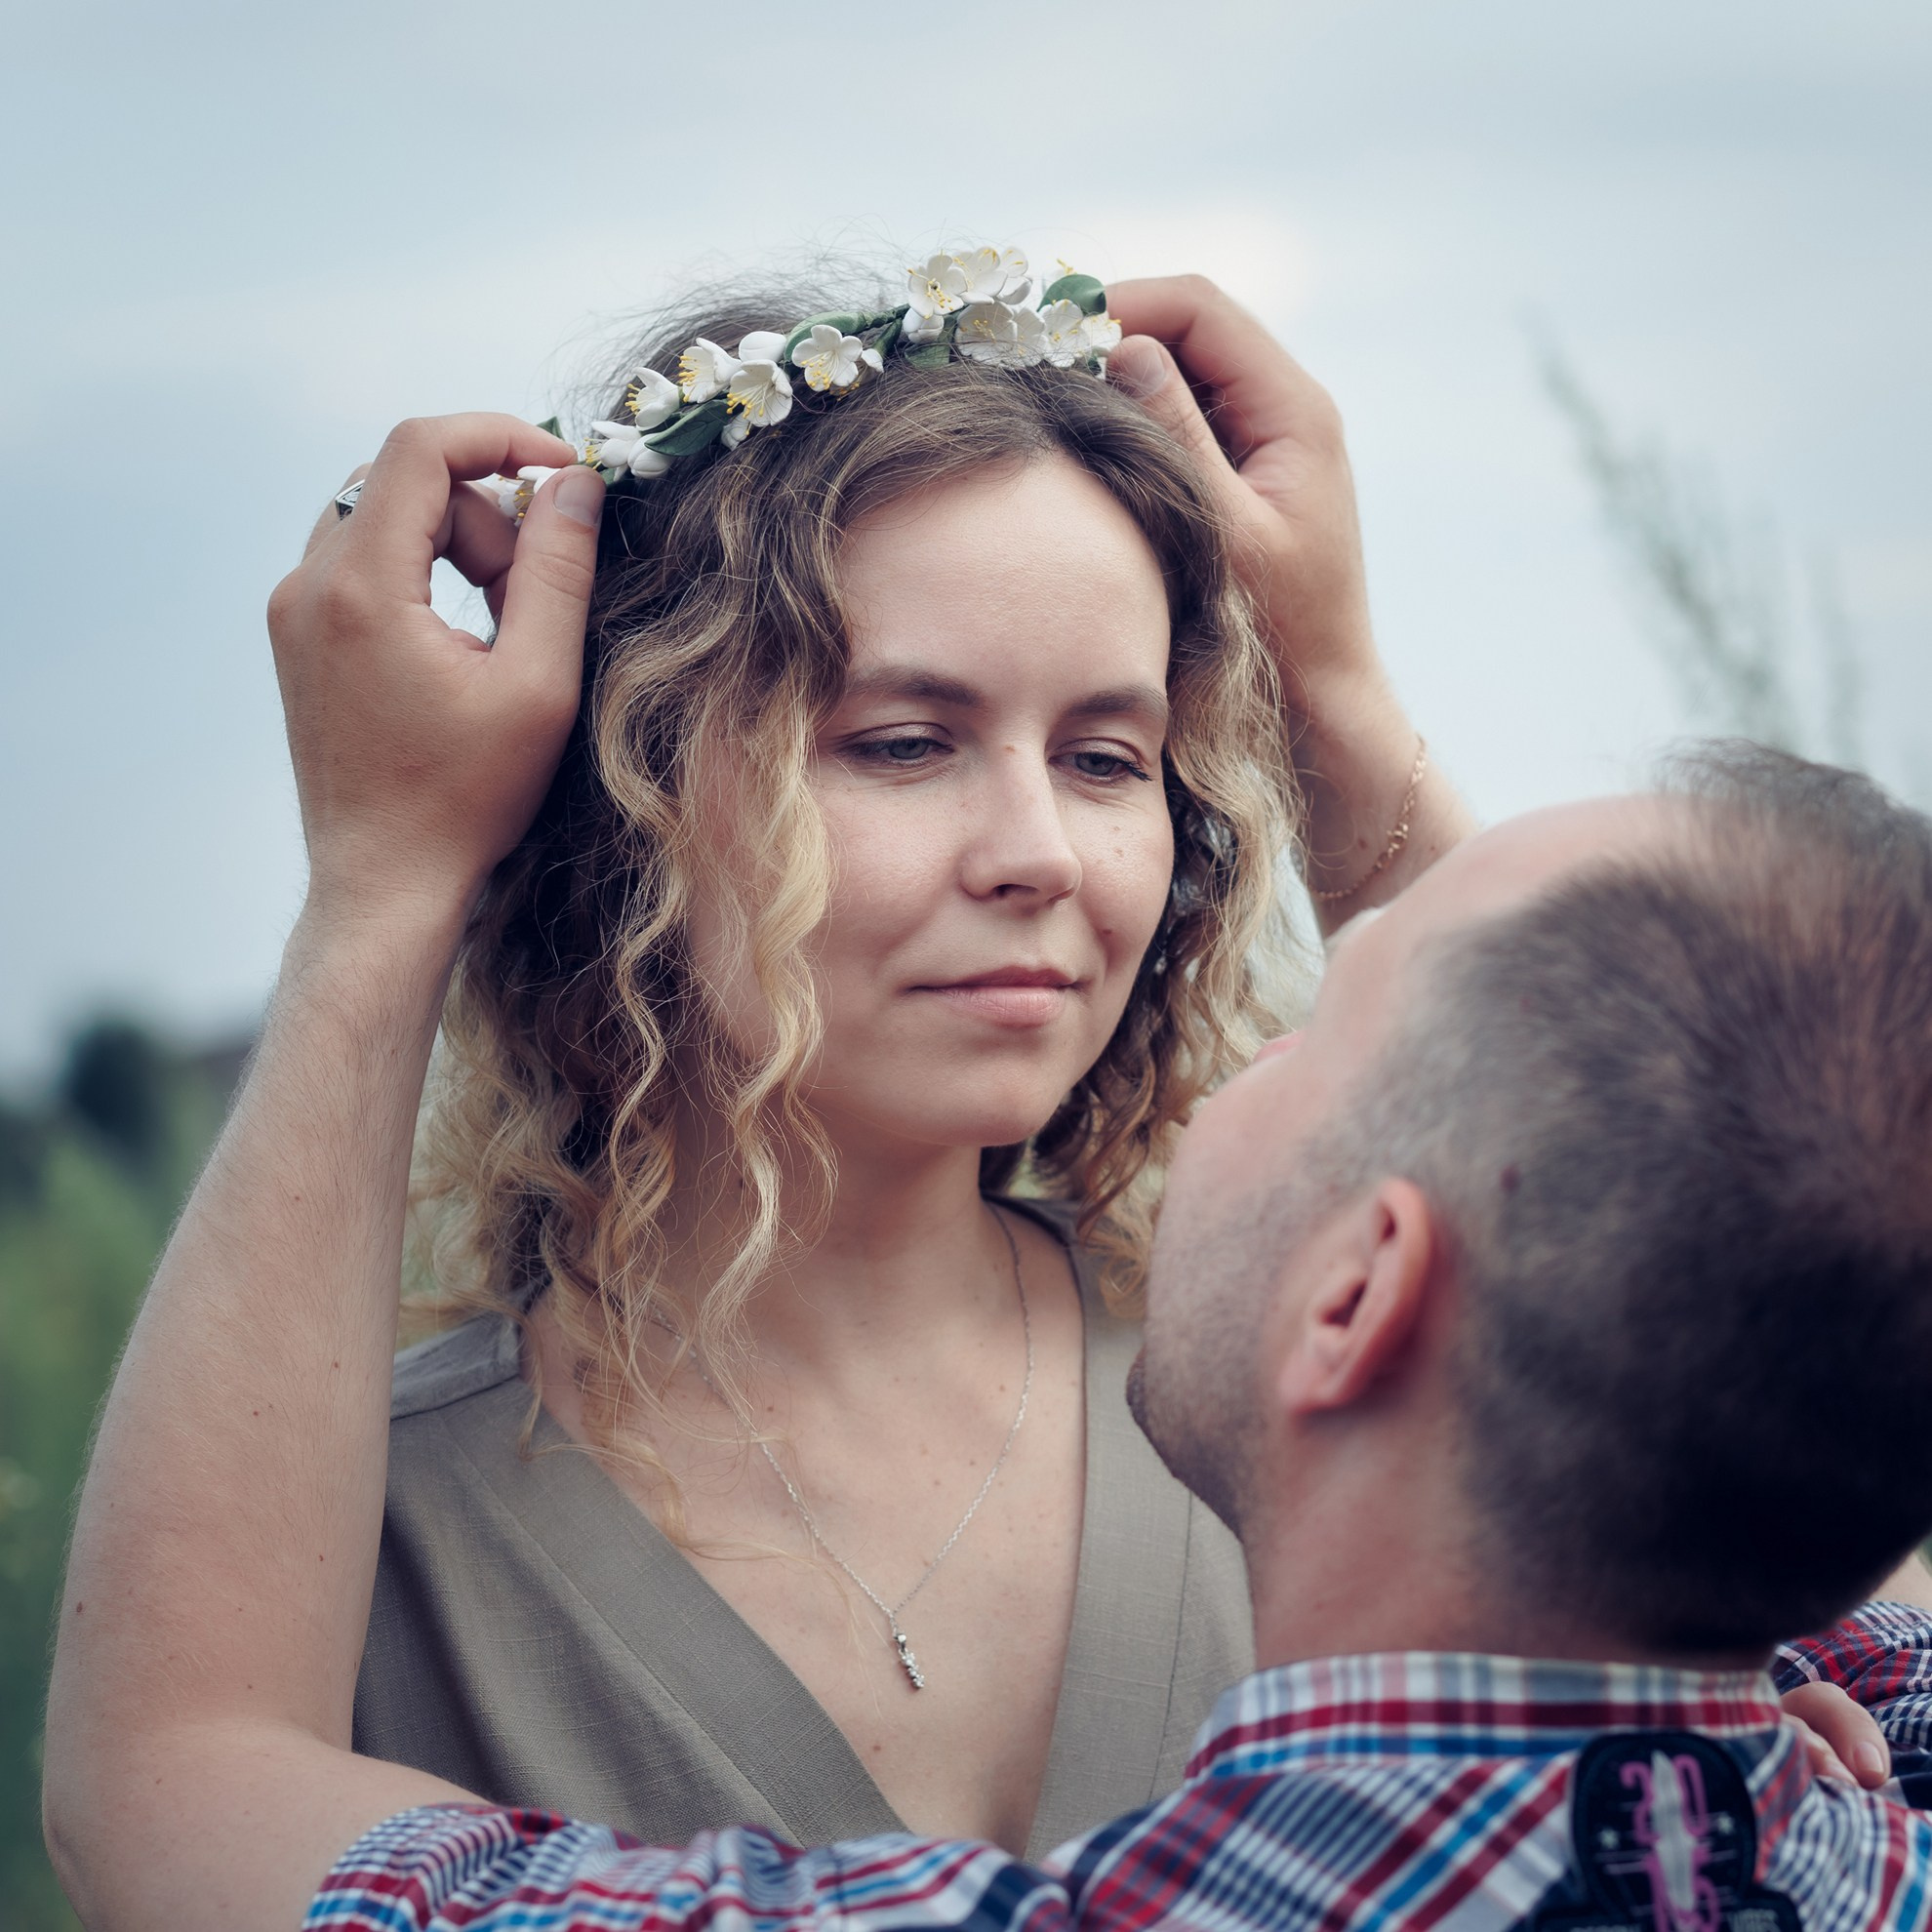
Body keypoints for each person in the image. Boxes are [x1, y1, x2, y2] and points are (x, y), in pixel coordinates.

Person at [42, 744, 1932, 1931]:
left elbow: (172, 1780)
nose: (1041, 855)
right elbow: (1738, 1254)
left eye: (1324, 1024)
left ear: (1354, 1299)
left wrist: (377, 893)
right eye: (899, 741)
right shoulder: (1869, 1789)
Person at [321, 258, 1475, 1856]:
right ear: (628, 807)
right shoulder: (344, 1545)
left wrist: (1335, 690)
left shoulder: (1310, 1387)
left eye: (1105, 758)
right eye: (904, 743)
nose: (1041, 854)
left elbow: (1815, 1509)